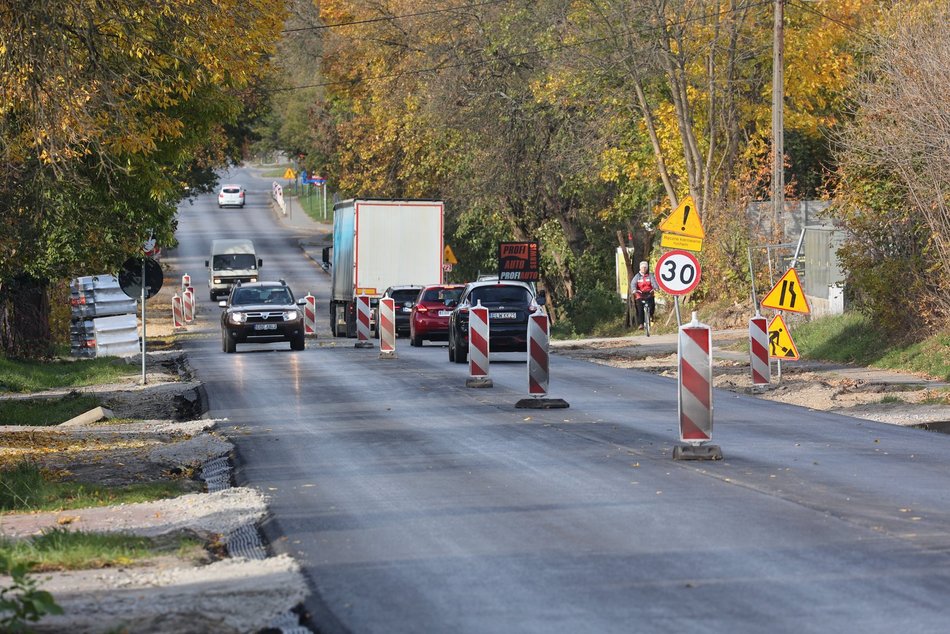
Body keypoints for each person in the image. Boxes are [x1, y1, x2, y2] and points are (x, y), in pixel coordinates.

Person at [630, 260, 657, 329]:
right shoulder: (637, 276)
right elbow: (633, 284)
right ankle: (641, 324)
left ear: (647, 268)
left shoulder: (650, 275)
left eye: (645, 267)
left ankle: (651, 316)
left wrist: (656, 287)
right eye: (642, 267)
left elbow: (654, 282)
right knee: (640, 309)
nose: (644, 269)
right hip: (640, 294)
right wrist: (634, 290)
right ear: (640, 268)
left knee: (652, 306)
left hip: (649, 293)